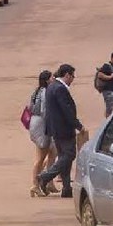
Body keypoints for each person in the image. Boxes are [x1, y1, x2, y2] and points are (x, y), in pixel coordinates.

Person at [37, 64, 85, 199]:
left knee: (64, 157)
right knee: (69, 155)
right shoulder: (59, 88)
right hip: (63, 128)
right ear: (67, 75)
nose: (73, 79)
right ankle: (45, 176)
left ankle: (66, 188)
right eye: (72, 76)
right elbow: (66, 110)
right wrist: (78, 125)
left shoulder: (52, 86)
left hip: (56, 128)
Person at [28, 70, 59, 197]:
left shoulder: (37, 91)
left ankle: (48, 181)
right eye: (52, 77)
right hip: (43, 125)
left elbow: (30, 107)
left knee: (53, 152)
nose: (54, 78)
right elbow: (45, 111)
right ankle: (35, 184)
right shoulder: (46, 92)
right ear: (47, 80)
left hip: (36, 123)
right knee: (40, 157)